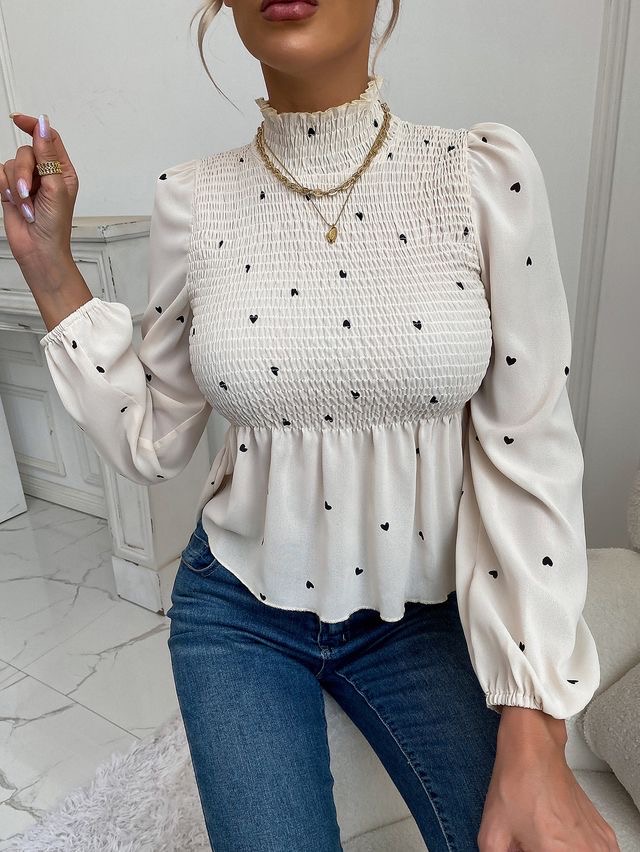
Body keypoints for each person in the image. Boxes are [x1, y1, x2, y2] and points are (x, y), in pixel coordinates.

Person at [0, 1, 620, 850]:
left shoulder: (480, 175)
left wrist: (534, 724)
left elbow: (530, 448)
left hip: (426, 611)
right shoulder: (191, 200)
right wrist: (49, 265)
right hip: (239, 611)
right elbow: (153, 437)